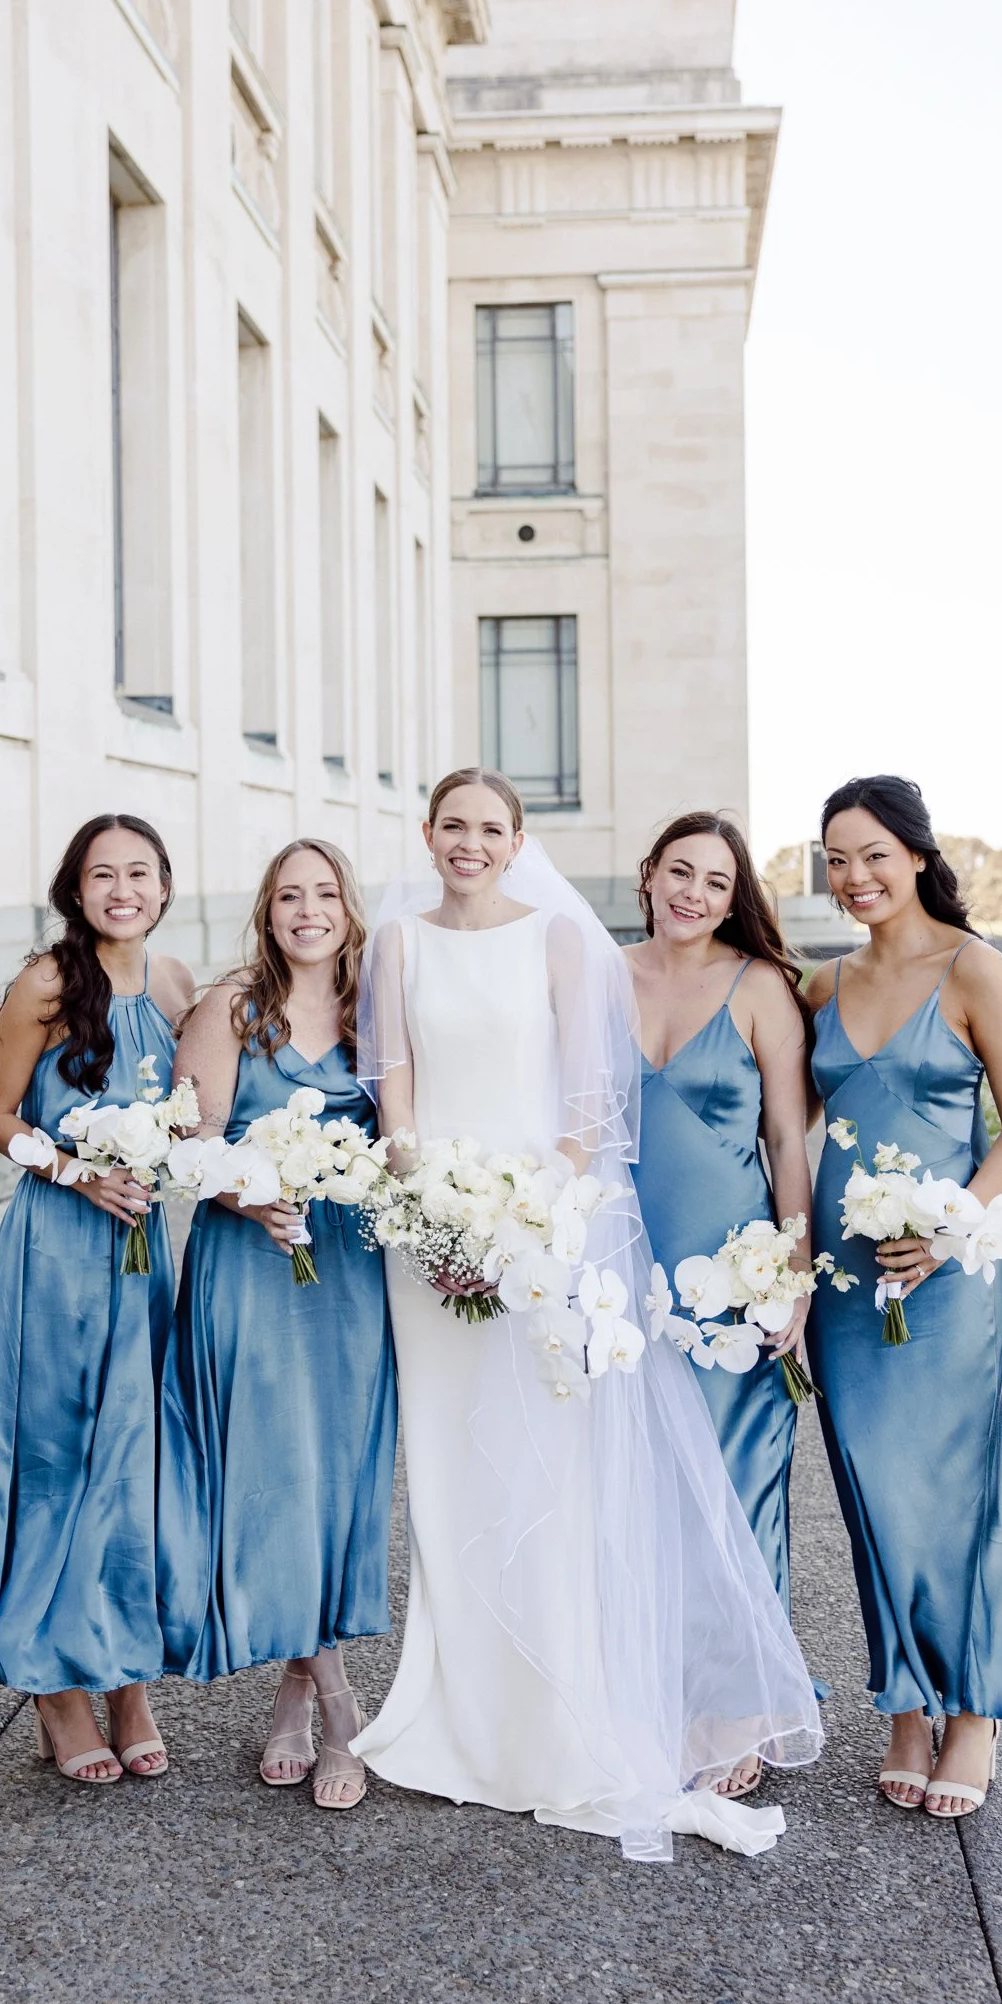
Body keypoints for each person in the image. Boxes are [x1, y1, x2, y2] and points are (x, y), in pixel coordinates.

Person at [351, 768, 822, 1861]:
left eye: (489, 827)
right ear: (427, 836)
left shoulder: (563, 946)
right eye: (452, 825)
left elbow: (584, 1108)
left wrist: (525, 1227)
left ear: (519, 841)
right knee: (450, 1471)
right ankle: (449, 1715)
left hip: (544, 1238)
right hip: (434, 1251)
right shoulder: (397, 947)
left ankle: (561, 1720)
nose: (469, 842)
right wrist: (435, 1226)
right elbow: (395, 1091)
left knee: (551, 1474)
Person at [805, 775, 1002, 1818]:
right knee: (869, 1491)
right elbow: (772, 1120)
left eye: (869, 854)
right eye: (833, 859)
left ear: (912, 853)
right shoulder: (819, 986)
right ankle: (906, 1703)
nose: (851, 877)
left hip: (948, 1282)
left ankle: (975, 1713)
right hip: (846, 1284)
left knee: (951, 1491)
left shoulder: (973, 969)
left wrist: (948, 1232)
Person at [157, 841, 396, 1811]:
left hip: (347, 1270)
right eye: (289, 895)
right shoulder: (229, 1009)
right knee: (275, 1477)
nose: (308, 909)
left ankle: (293, 1692)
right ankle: (341, 1704)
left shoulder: (377, 1007)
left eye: (324, 893)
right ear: (266, 910)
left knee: (338, 1480)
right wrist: (249, 1193)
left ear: (348, 906)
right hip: (250, 1264)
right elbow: (188, 1144)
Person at [0, 815, 194, 1785]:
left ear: (165, 885)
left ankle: (127, 1677)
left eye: (139, 871)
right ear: (75, 888)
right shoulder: (46, 982)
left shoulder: (178, 985)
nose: (122, 888)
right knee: (55, 1454)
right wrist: (71, 1169)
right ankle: (58, 1687)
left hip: (142, 1252)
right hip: (57, 1249)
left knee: (133, 1461)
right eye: (103, 873)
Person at [627, 810, 818, 1795]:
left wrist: (790, 1271)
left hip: (731, 1279)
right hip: (625, 1277)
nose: (692, 892)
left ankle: (739, 1706)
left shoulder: (759, 989)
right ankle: (655, 1691)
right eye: (677, 871)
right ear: (647, 874)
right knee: (647, 1498)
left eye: (713, 878)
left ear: (733, 892)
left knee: (735, 1497)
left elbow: (787, 1142)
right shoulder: (601, 976)